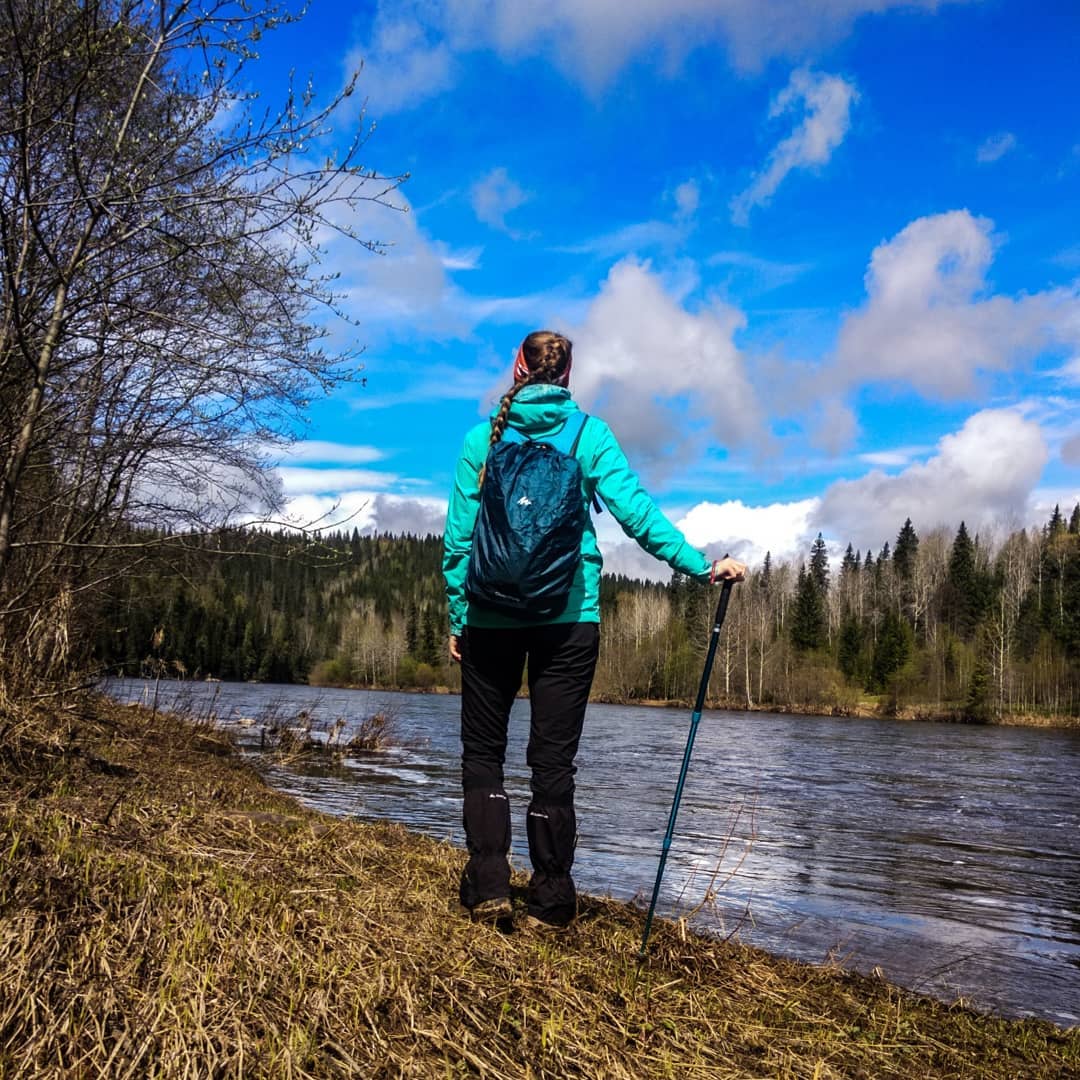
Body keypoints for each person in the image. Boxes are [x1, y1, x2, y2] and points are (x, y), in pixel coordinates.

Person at [442, 330, 746, 930]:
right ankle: (552, 899)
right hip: (569, 620)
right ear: (568, 373)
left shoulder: (483, 439)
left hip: (490, 620)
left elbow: (458, 540)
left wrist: (459, 616)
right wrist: (700, 565)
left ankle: (489, 886)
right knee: (552, 763)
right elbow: (635, 512)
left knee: (484, 753)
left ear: (517, 367)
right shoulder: (589, 435)